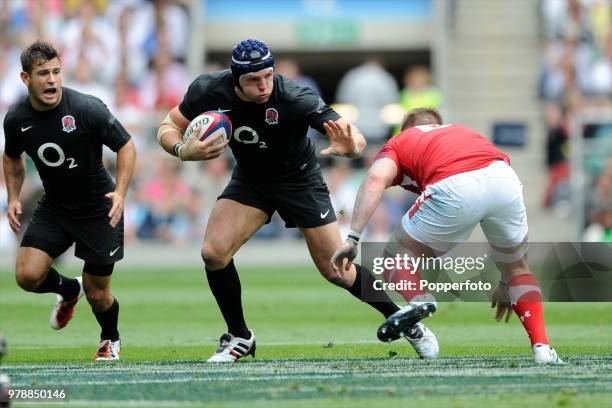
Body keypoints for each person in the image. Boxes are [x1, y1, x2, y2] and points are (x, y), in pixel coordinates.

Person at [156, 39, 436, 362]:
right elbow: (168, 126)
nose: (263, 86)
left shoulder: (294, 97)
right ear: (235, 79)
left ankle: (408, 323)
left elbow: (352, 135)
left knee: (336, 270)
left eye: (268, 76)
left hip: (299, 180)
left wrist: (353, 147)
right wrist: (180, 149)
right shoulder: (208, 90)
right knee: (213, 253)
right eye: (253, 80)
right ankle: (240, 337)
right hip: (251, 180)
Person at [331, 108, 563, 365]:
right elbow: (484, 188)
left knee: (396, 258)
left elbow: (374, 177)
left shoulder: (401, 142)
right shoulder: (463, 132)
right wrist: (507, 281)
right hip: (503, 177)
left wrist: (352, 237)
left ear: (407, 130)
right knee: (518, 267)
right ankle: (543, 348)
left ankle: (419, 301)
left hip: (453, 185)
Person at [2, 41, 136, 360]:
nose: (51, 80)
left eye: (56, 72)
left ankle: (110, 338)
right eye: (43, 74)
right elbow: (11, 157)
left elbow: (127, 146)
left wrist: (120, 192)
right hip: (56, 207)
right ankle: (67, 289)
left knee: (98, 294)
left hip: (99, 209)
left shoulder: (86, 108)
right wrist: (13, 198)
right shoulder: (16, 118)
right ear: (25, 78)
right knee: (27, 276)